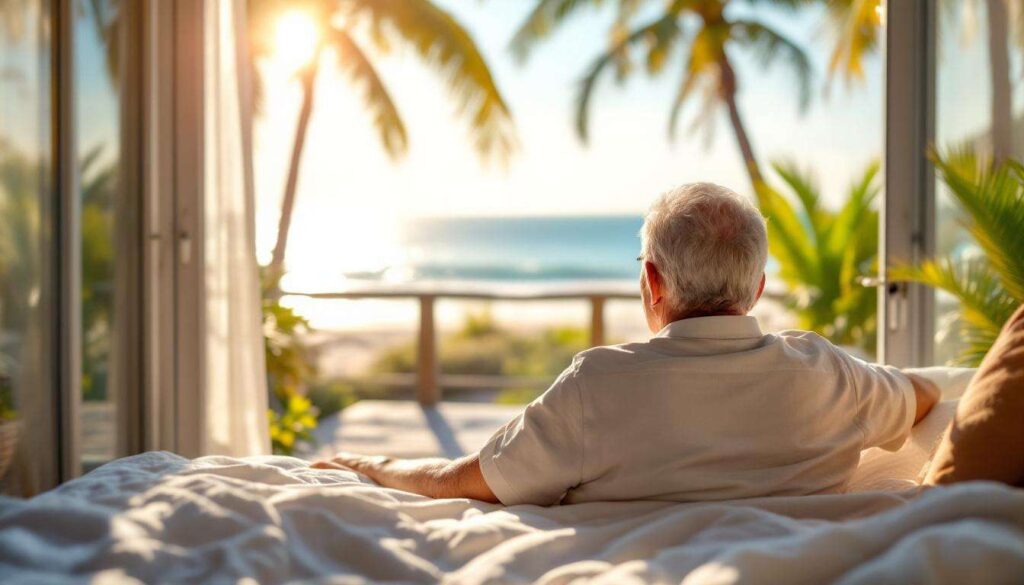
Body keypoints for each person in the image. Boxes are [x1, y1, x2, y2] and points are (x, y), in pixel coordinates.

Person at [313, 183, 945, 505]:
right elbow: (922, 395)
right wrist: (887, 386)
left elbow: (471, 480)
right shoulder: (827, 375)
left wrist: (370, 467)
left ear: (651, 283)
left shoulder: (599, 385)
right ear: (757, 288)